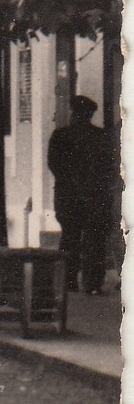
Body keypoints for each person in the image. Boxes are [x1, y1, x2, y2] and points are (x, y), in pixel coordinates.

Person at [48, 95, 119, 296]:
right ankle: (92, 284)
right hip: (94, 196)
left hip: (68, 196)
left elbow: (55, 166)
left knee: (69, 238)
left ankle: (69, 281)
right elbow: (109, 168)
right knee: (95, 240)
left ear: (74, 113)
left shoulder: (60, 136)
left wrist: (72, 184)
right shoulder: (101, 137)